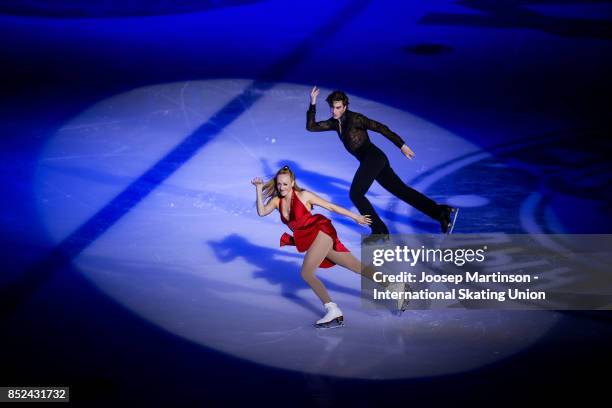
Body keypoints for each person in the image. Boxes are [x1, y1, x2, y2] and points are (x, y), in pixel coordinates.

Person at [252, 165, 406, 328]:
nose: (281, 187)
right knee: (356, 266)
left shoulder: (304, 196)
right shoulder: (277, 201)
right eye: (279, 184)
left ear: (292, 182)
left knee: (306, 273)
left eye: (285, 184)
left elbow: (331, 206)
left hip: (321, 234)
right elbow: (261, 212)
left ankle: (333, 311)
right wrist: (259, 189)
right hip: (309, 240)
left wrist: (355, 216)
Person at [306, 87, 458, 242]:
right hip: (371, 161)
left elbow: (381, 128)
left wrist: (402, 145)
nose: (334, 111)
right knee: (402, 191)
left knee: (356, 194)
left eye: (338, 107)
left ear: (345, 107)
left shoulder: (356, 119)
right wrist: (313, 103)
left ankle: (379, 229)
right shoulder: (334, 123)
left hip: (374, 158)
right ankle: (440, 212)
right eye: (332, 107)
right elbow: (311, 127)